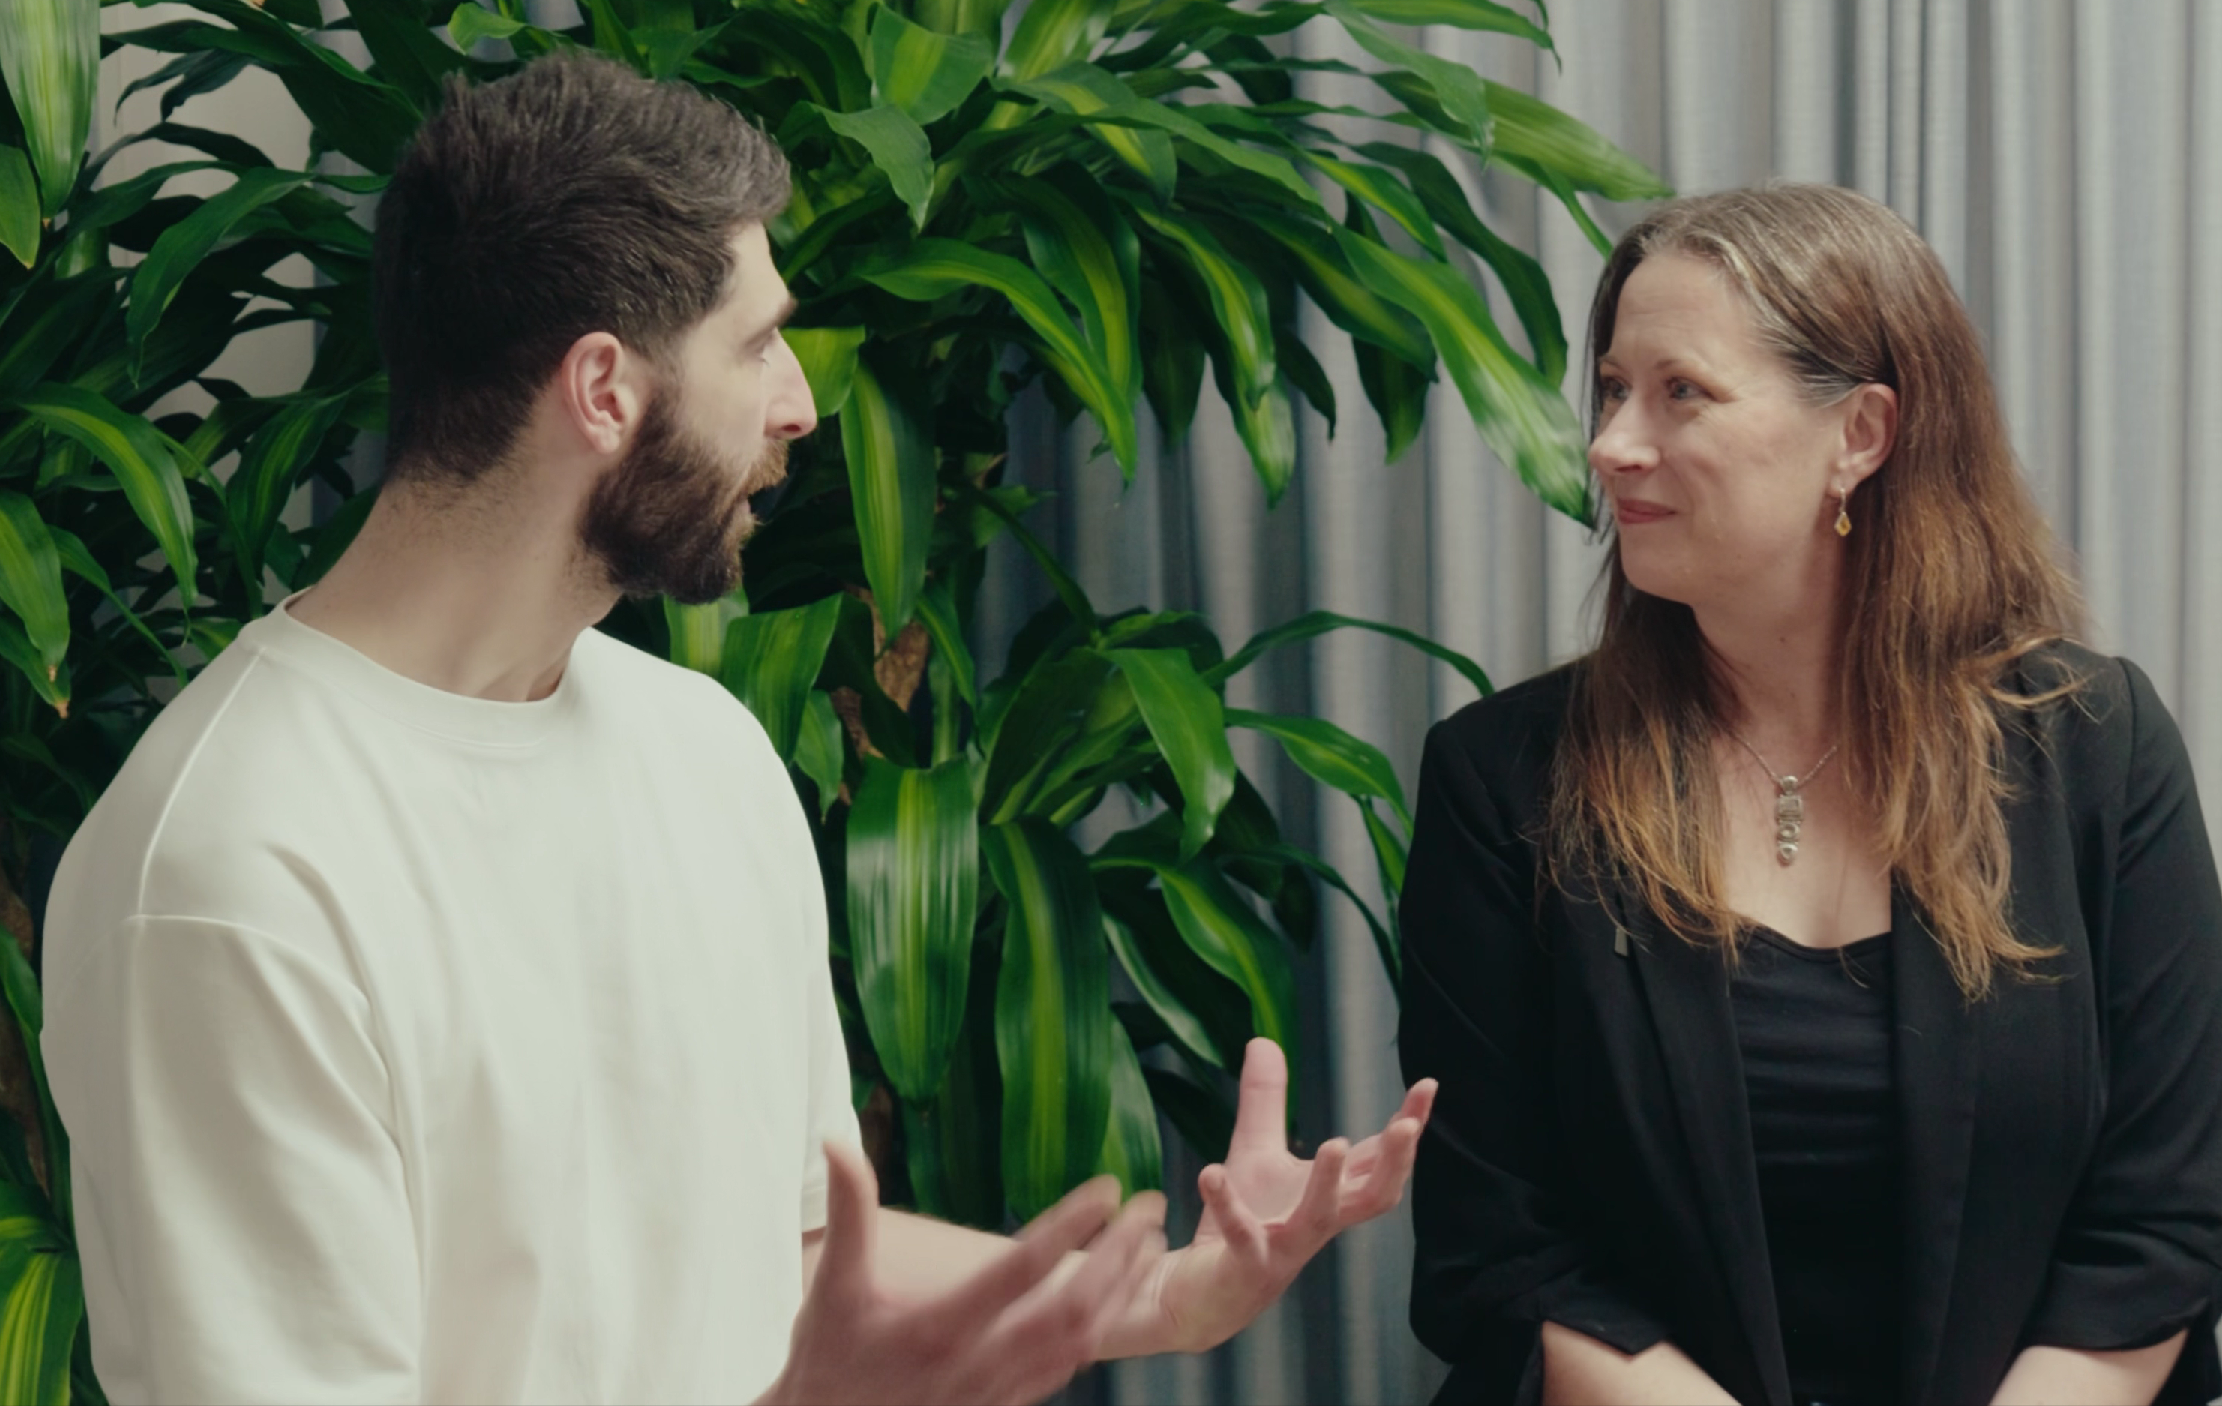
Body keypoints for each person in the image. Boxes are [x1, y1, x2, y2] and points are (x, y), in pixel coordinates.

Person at [41, 53, 1434, 1406]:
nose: (801, 404)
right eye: (758, 342)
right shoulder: (229, 876)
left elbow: (795, 1248)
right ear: (604, 390)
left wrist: (1171, 1296)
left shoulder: (702, 748)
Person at [1397, 183, 2222, 1406]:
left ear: (1859, 432)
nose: (1610, 443)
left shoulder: (2093, 748)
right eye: (1614, 388)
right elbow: (1497, 1252)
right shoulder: (1503, 779)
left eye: (1680, 391)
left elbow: (2159, 1229)